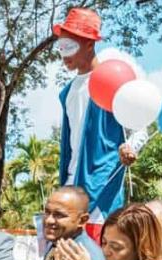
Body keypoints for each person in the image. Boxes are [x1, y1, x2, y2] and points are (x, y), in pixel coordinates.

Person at [53, 7, 144, 239]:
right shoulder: (68, 92)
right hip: (70, 187)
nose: (64, 53)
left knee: (99, 252)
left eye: (70, 46)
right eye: (60, 46)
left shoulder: (113, 79)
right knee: (65, 254)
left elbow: (139, 127)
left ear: (89, 44)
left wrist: (131, 147)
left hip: (102, 188)